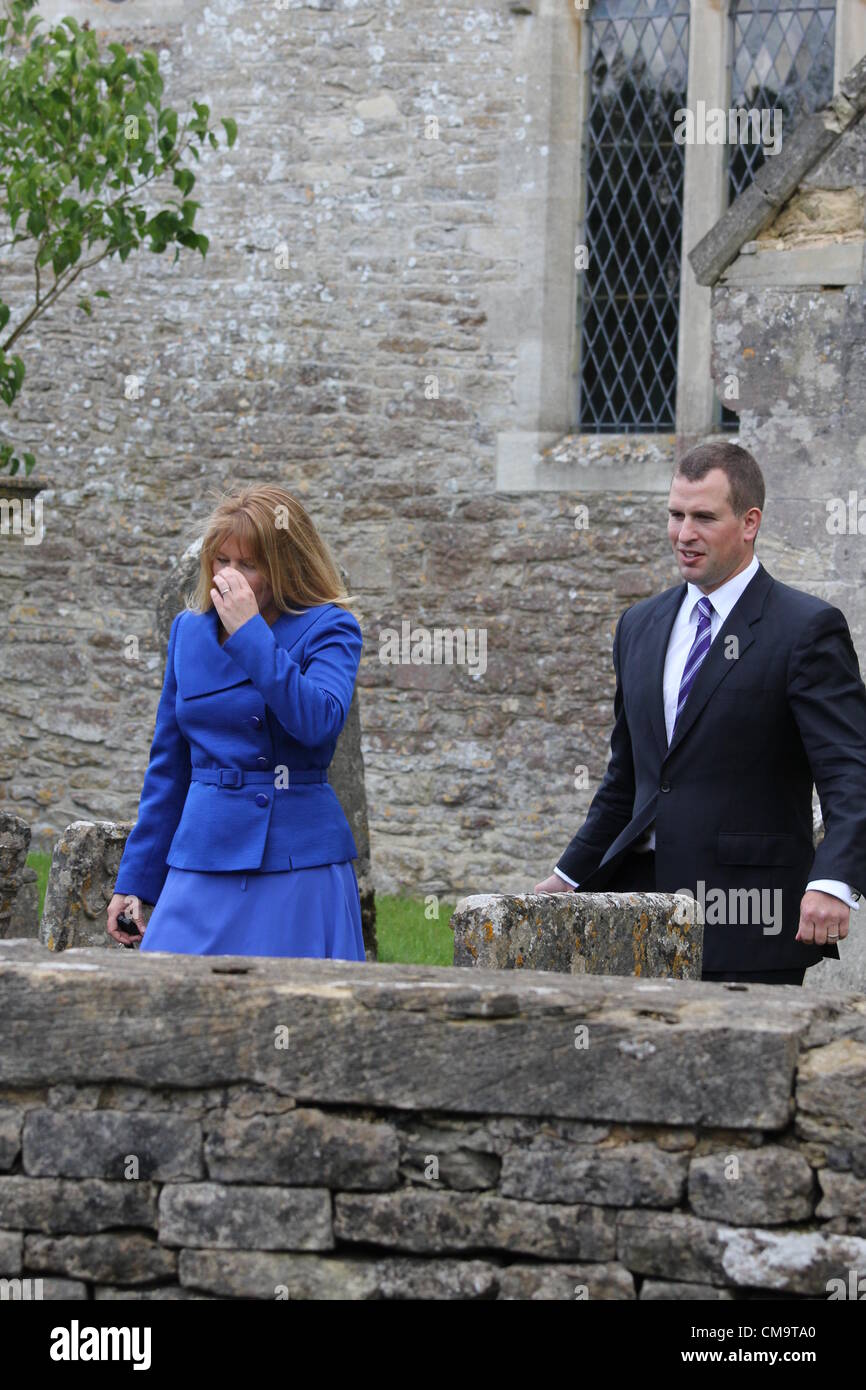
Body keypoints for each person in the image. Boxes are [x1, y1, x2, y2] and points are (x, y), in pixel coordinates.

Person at [535, 442, 866, 985]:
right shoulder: (638, 626)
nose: (684, 534)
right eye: (676, 515)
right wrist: (568, 875)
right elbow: (629, 779)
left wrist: (833, 881)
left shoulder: (805, 630)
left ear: (749, 521)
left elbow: (849, 772)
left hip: (746, 919)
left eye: (704, 517)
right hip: (632, 912)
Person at [105, 484, 365, 960]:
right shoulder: (189, 631)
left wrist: (251, 633)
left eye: (248, 564)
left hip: (296, 859)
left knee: (296, 1016)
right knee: (167, 1000)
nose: (230, 576)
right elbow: (169, 764)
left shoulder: (329, 626)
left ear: (285, 565)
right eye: (222, 560)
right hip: (202, 851)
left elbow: (319, 721)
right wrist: (137, 879)